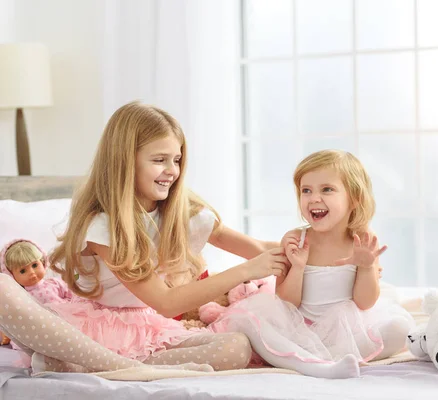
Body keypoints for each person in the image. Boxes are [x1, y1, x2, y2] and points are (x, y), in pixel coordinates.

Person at [0, 101, 287, 373]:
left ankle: (96, 366)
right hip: (86, 329)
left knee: (235, 348)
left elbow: (258, 247)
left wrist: (312, 243)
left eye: (176, 160)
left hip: (144, 327)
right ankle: (113, 367)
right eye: (159, 160)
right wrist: (247, 270)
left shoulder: (180, 214)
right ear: (125, 161)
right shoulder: (102, 226)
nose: (172, 171)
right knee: (3, 287)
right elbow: (166, 302)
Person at [210, 150, 414, 379]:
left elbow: (365, 303)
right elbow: (287, 302)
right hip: (299, 328)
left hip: (346, 331)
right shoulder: (297, 239)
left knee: (400, 330)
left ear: (354, 198)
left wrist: (366, 266)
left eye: (327, 189)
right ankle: (313, 365)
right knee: (249, 321)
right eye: (306, 190)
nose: (314, 198)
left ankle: (320, 358)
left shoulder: (363, 240)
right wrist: (297, 266)